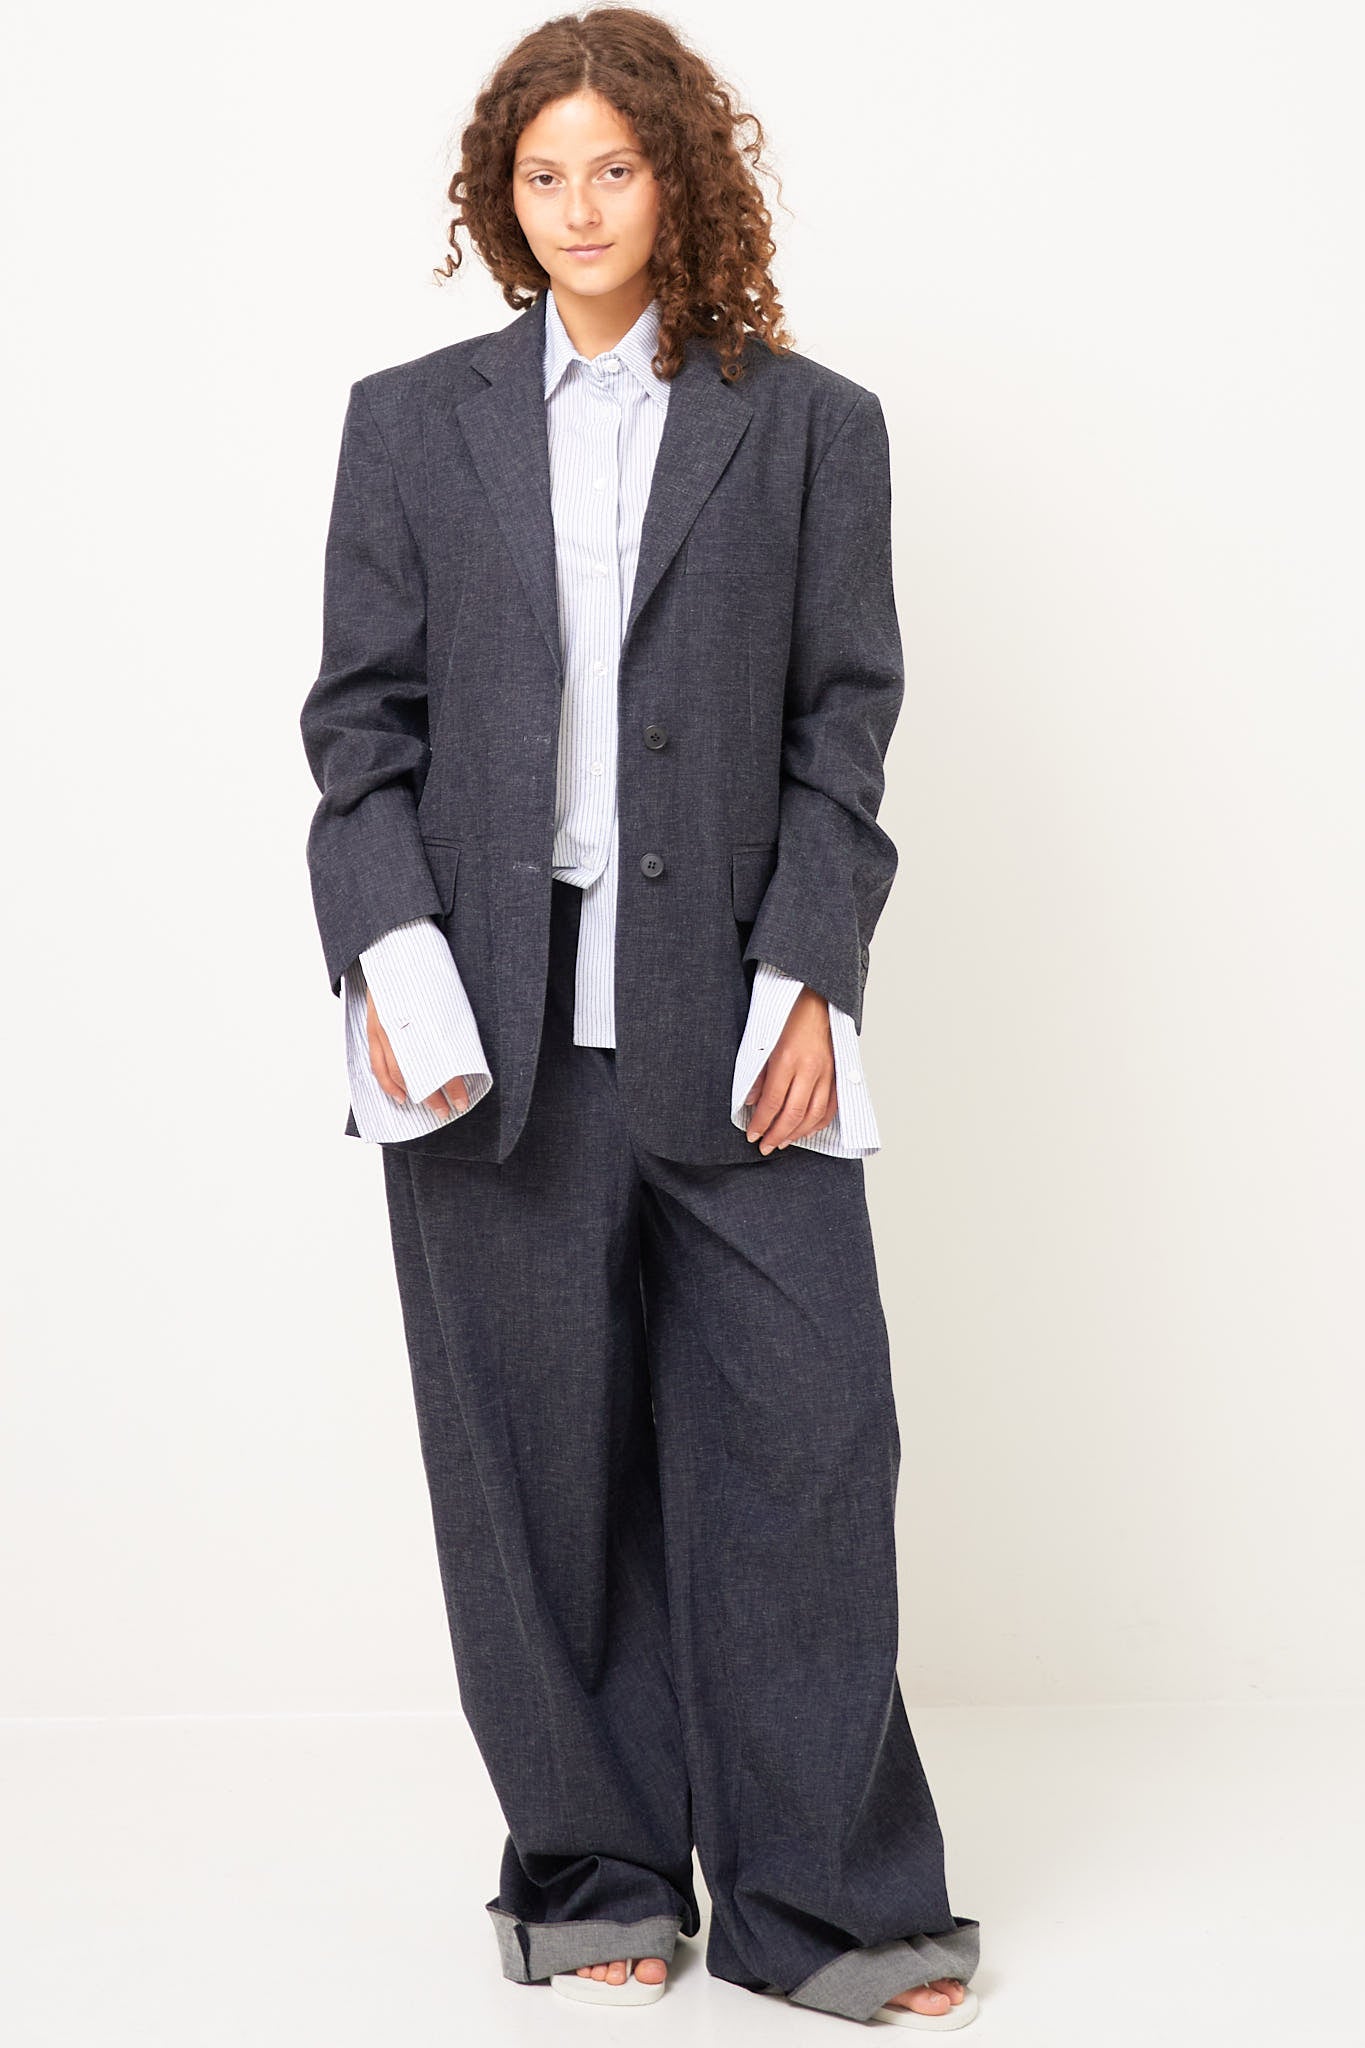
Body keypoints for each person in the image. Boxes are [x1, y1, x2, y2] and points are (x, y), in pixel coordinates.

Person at [299, 6, 981, 2029]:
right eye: (541, 175)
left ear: (679, 179)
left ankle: (826, 1904)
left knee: (806, 1454)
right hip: (482, 1031)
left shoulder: (811, 425)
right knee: (535, 1479)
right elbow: (358, 731)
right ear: (498, 198)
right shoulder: (407, 422)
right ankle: (593, 1873)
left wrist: (814, 972)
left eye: (612, 167)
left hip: (737, 1012)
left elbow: (841, 728)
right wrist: (390, 969)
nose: (577, 206)